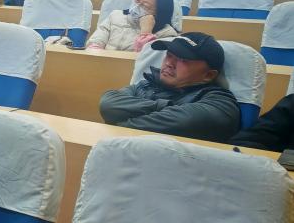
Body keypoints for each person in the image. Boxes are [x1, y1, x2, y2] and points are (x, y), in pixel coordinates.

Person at [99, 33, 240, 143]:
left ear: (208, 75)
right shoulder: (146, 84)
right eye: (169, 55)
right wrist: (167, 106)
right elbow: (108, 103)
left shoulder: (220, 101)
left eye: (183, 60)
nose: (169, 63)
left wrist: (119, 125)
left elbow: (185, 122)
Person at [87, 0, 179, 52]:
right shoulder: (115, 15)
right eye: (137, 0)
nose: (137, 6)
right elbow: (95, 42)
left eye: (145, 6)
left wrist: (146, 33)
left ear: (159, 13)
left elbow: (147, 61)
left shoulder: (167, 34)